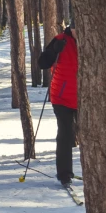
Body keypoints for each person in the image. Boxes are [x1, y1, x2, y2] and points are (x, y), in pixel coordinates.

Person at [38, 20, 78, 186]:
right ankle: (64, 175)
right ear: (72, 28)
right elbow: (42, 63)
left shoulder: (93, 38)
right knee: (65, 135)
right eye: (77, 30)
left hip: (85, 98)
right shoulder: (61, 39)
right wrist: (54, 51)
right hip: (62, 97)